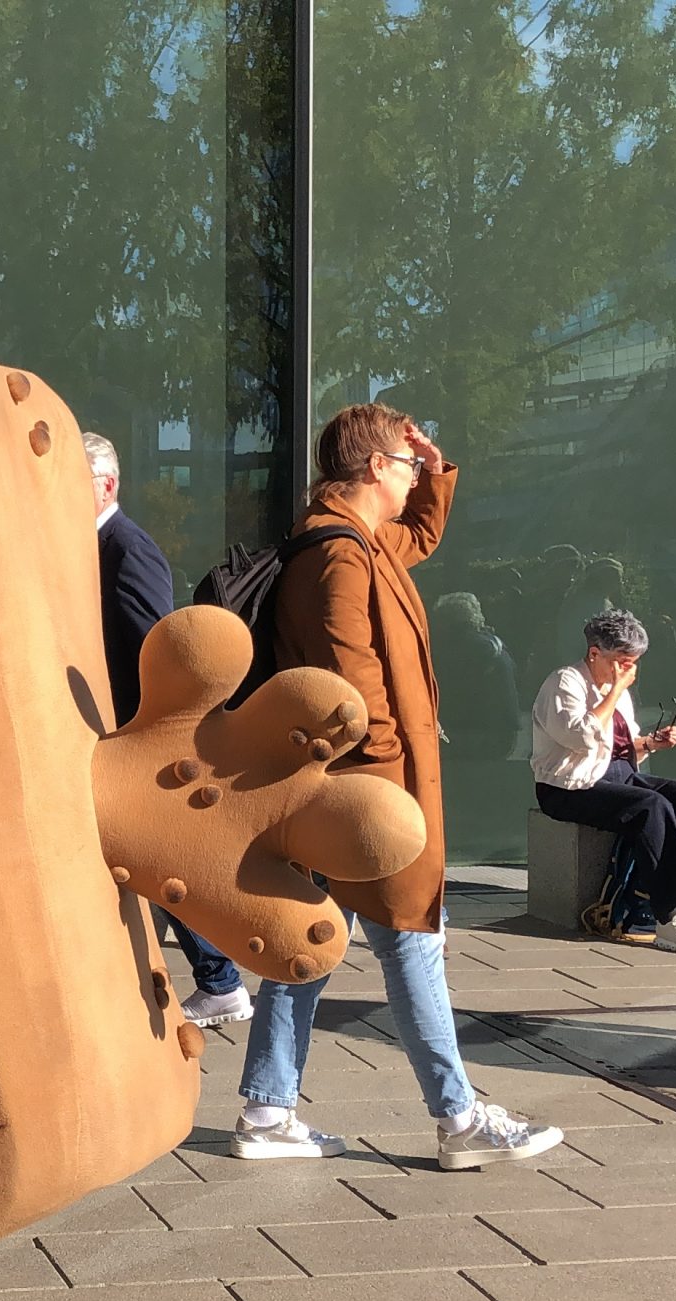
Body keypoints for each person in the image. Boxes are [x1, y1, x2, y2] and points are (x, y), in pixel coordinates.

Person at [229, 402, 564, 1169]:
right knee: (412, 940)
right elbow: (350, 679)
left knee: (312, 941)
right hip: (370, 794)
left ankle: (268, 1110)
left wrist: (437, 471)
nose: (414, 476)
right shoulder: (340, 556)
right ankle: (459, 1120)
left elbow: (420, 535)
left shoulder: (359, 540)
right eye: (407, 465)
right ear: (376, 466)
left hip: (348, 791)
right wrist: (389, 769)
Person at [81, 432, 252, 1029]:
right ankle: (214, 979)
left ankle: (220, 980)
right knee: (143, 859)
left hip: (132, 733)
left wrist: (140, 728)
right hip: (112, 731)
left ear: (106, 485)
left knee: (152, 859)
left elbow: (154, 645)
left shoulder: (127, 548)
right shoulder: (92, 545)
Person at [532, 609, 676, 954]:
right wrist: (616, 690)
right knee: (651, 806)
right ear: (594, 653)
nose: (628, 671)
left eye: (633, 663)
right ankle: (669, 916)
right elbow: (580, 737)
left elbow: (619, 746)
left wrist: (650, 743)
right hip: (568, 786)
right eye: (622, 662)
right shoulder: (564, 683)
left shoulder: (616, 690)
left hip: (618, 774)